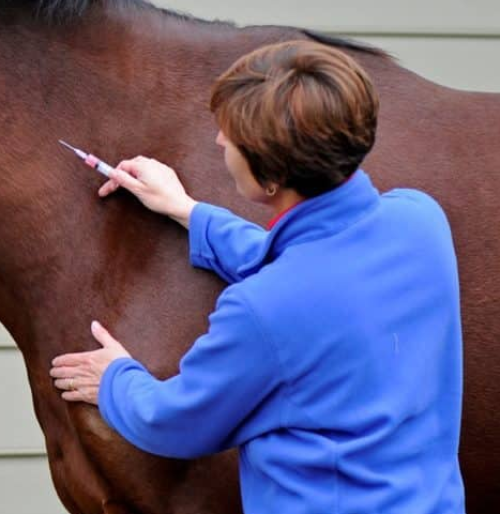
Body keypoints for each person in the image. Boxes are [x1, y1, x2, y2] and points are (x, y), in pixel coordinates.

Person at [50, 40, 465, 514]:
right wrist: (188, 211)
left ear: (270, 178)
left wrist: (115, 380)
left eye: (232, 138)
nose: (220, 141)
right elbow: (320, 268)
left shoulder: (260, 310)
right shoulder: (418, 220)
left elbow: (174, 422)